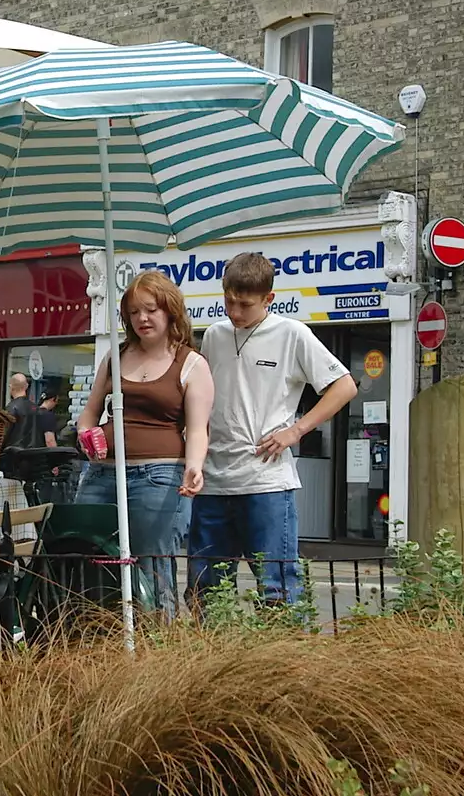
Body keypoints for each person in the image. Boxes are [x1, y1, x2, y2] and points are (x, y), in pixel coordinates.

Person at [188, 252, 358, 607]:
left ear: (269, 299)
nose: (234, 313)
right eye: (228, 302)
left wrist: (296, 431)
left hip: (266, 484)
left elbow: (344, 385)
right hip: (212, 482)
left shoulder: (292, 333)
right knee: (205, 592)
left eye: (244, 305)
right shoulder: (214, 336)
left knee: (276, 590)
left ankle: (281, 662)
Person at [75, 270, 213, 617]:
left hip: (159, 476)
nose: (142, 318)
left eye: (150, 309)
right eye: (134, 312)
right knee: (90, 557)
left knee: (152, 562)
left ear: (169, 311)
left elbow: (198, 429)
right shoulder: (115, 358)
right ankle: (97, 633)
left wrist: (194, 466)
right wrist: (86, 435)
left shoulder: (191, 364)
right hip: (101, 475)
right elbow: (88, 414)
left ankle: (159, 639)